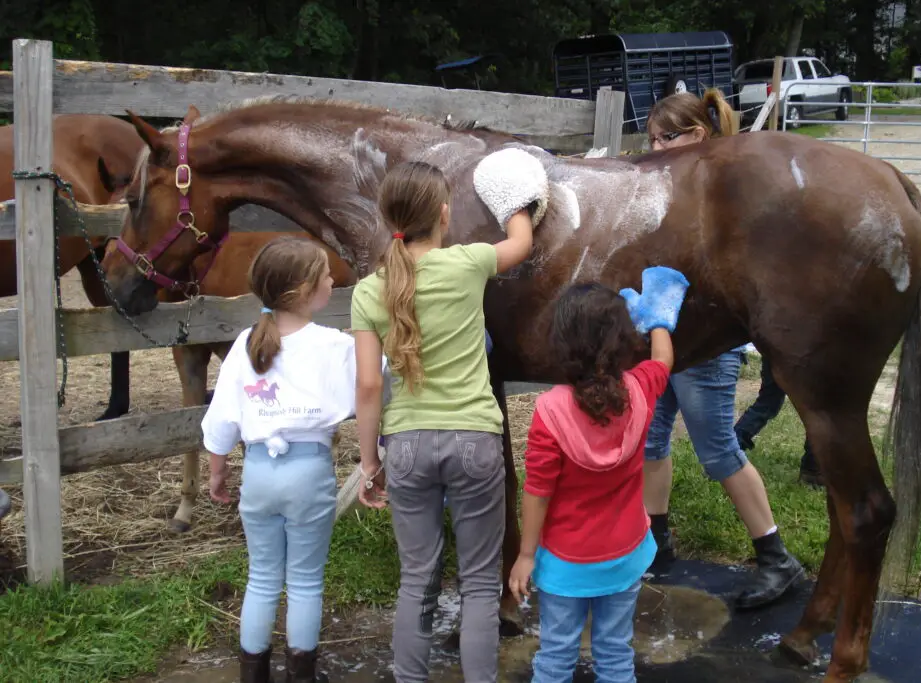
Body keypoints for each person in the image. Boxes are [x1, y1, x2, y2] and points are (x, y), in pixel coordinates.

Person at [351, 153, 544, 683]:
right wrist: (518, 201)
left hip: (407, 444)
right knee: (482, 584)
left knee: (417, 579)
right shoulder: (467, 262)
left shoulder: (369, 290)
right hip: (475, 439)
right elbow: (522, 244)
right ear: (443, 214)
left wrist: (370, 462)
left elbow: (369, 385)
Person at [642, 89, 805, 611]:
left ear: (698, 136)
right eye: (648, 141)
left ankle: (777, 558)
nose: (654, 150)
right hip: (666, 339)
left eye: (665, 139)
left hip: (707, 344)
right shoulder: (671, 188)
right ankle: (656, 540)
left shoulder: (721, 195)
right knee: (650, 437)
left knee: (717, 451)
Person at [508, 268, 688, 683]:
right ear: (624, 339)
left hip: (565, 565)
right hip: (625, 556)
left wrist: (526, 554)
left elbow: (537, 490)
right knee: (614, 653)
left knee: (555, 657)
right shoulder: (641, 389)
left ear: (561, 343)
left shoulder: (550, 412)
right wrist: (659, 316)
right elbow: (663, 360)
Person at [202, 236, 368, 683]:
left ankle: (252, 674)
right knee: (305, 582)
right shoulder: (333, 345)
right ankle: (301, 675)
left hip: (257, 471)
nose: (334, 280)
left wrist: (218, 472)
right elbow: (375, 380)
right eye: (326, 275)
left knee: (261, 579)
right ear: (304, 290)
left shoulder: (245, 343)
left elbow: (222, 418)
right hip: (309, 470)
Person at [734, 354, 824, 488]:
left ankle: (729, 452)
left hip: (775, 344)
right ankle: (812, 472)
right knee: (818, 409)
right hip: (807, 348)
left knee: (767, 403)